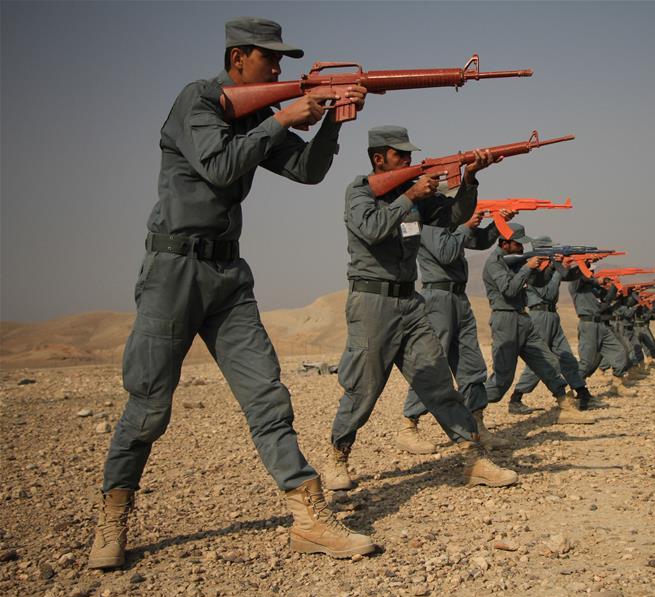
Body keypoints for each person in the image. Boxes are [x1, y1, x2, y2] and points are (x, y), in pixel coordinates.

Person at [88, 17, 375, 569]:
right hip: (174, 270)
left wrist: (334, 121)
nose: (279, 70)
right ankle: (114, 511)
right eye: (271, 60)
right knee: (149, 405)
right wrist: (285, 117)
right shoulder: (198, 100)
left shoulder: (259, 112)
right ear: (239, 58)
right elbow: (219, 165)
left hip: (228, 274)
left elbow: (307, 171)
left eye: (283, 62)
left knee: (267, 396)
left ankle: (309, 516)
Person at [324, 125, 517, 492]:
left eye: (411, 155)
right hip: (372, 302)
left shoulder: (413, 196)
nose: (409, 161)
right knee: (363, 388)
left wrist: (470, 179)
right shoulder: (361, 192)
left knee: (437, 380)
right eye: (401, 156)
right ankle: (338, 455)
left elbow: (455, 216)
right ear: (379, 158)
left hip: (410, 302)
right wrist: (410, 195)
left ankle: (472, 458)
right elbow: (371, 229)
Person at [398, 209, 518, 454]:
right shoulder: (427, 222)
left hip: (459, 297)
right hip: (437, 298)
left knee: (471, 363)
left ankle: (477, 426)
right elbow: (445, 253)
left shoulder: (451, 225)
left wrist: (498, 224)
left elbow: (480, 241)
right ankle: (408, 426)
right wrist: (466, 225)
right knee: (433, 362)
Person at [482, 224, 594, 424]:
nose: (522, 249)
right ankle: (469, 410)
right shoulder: (495, 263)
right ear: (505, 243)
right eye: (518, 244)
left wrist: (551, 265)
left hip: (523, 318)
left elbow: (540, 282)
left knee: (547, 361)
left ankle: (565, 406)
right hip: (505, 320)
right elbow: (509, 290)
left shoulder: (517, 263)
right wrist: (527, 267)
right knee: (502, 378)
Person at [509, 237, 607, 413]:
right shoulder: (533, 271)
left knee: (567, 358)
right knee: (540, 360)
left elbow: (568, 276)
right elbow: (548, 292)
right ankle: (516, 398)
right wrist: (557, 268)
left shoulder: (550, 268)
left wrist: (581, 265)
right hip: (539, 316)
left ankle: (583, 395)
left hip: (552, 316)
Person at [568, 275, 636, 398]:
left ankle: (617, 385)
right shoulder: (576, 285)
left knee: (620, 352)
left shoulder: (593, 290)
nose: (591, 273)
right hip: (588, 325)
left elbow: (605, 304)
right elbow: (578, 277)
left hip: (602, 325)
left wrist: (614, 287)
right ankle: (571, 390)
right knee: (587, 363)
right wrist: (597, 280)